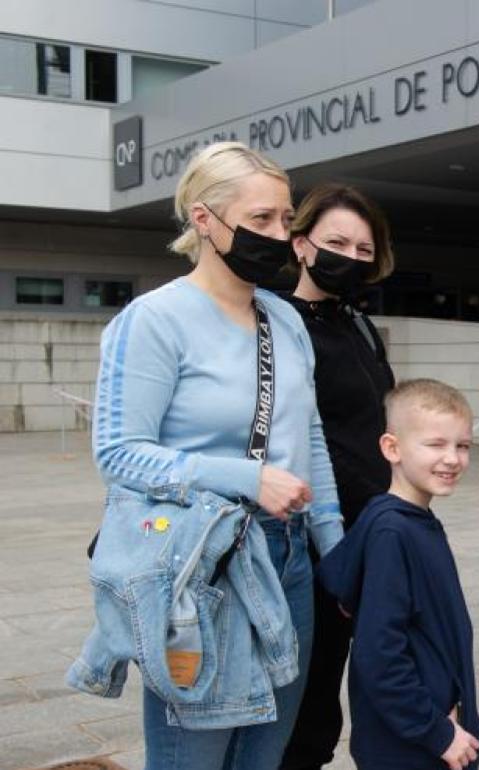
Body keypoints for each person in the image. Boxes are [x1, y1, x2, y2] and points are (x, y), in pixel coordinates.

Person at [88, 141, 344, 769]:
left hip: (287, 559)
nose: (279, 235)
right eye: (260, 220)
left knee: (266, 752)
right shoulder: (154, 320)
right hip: (198, 564)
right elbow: (119, 453)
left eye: (286, 221)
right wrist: (246, 477)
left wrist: (336, 549)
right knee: (193, 754)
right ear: (204, 218)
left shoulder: (283, 320)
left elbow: (308, 437)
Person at [281, 183, 397, 770]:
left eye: (362, 248)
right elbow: (307, 440)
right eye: (335, 243)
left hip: (371, 529)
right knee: (305, 697)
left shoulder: (356, 323)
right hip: (313, 538)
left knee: (337, 694)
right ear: (300, 244)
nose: (350, 257)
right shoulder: (278, 323)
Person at [318, 379, 479, 770]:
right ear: (391, 448)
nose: (453, 459)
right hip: (411, 745)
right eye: (435, 444)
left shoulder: (411, 521)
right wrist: (436, 732)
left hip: (428, 732)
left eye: (461, 445)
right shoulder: (393, 533)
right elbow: (379, 654)